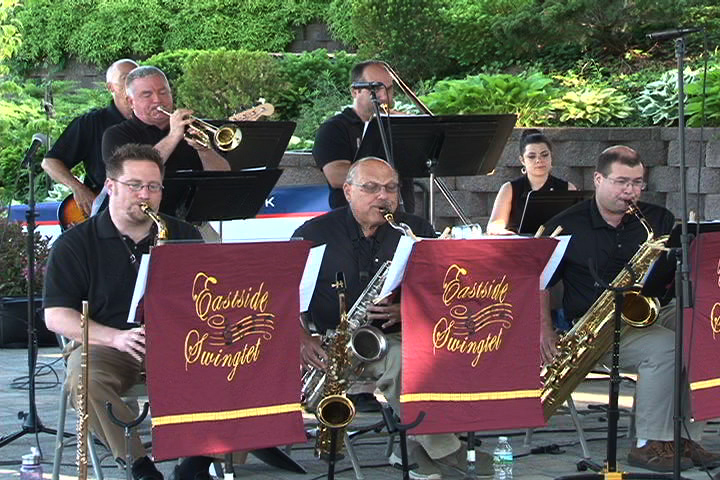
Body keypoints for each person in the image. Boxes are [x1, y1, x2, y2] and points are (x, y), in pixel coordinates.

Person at [294, 157, 493, 479]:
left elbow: (444, 291)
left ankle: (415, 449)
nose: (383, 196)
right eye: (371, 188)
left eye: (390, 188)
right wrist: (301, 338)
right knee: (403, 359)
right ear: (348, 191)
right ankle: (447, 450)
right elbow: (283, 295)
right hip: (337, 342)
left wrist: (407, 309)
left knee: (456, 349)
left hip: (404, 332)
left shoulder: (415, 230)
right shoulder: (314, 234)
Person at [541, 145, 720, 472]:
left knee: (702, 333)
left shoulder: (658, 218)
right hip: (595, 326)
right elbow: (539, 281)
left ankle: (684, 438)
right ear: (598, 179)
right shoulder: (566, 225)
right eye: (622, 182)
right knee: (667, 347)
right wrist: (544, 330)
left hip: (649, 308)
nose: (631, 191)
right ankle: (647, 443)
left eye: (637, 183)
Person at [43, 144, 211, 480]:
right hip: (108, 345)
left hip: (180, 344)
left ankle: (198, 462)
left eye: (153, 187)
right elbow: (56, 316)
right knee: (83, 377)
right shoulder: (75, 244)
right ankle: (139, 465)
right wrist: (116, 338)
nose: (145, 195)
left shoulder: (184, 234)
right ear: (111, 186)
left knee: (241, 358)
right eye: (134, 185)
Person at [102, 66, 230, 217]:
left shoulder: (191, 128)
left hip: (197, 218)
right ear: (131, 102)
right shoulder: (116, 135)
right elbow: (138, 173)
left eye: (163, 92)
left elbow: (223, 177)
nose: (157, 100)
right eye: (147, 95)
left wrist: (205, 151)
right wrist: (173, 136)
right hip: (143, 218)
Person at [313, 60, 416, 214]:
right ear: (355, 91)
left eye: (388, 89)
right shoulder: (334, 128)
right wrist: (386, 178)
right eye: (375, 89)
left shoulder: (396, 124)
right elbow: (336, 176)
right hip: (353, 220)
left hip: (402, 215)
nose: (384, 96)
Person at [42, 58, 138, 217]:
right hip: (104, 212)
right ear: (110, 87)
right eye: (126, 78)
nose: (133, 83)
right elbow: (50, 162)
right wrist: (78, 188)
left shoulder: (157, 122)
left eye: (137, 76)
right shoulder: (91, 123)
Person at [487, 128, 577, 234]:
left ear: (551, 156)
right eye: (531, 156)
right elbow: (494, 226)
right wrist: (507, 234)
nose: (538, 160)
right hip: (519, 242)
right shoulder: (509, 189)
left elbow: (577, 224)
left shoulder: (568, 188)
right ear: (522, 160)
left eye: (544, 155)